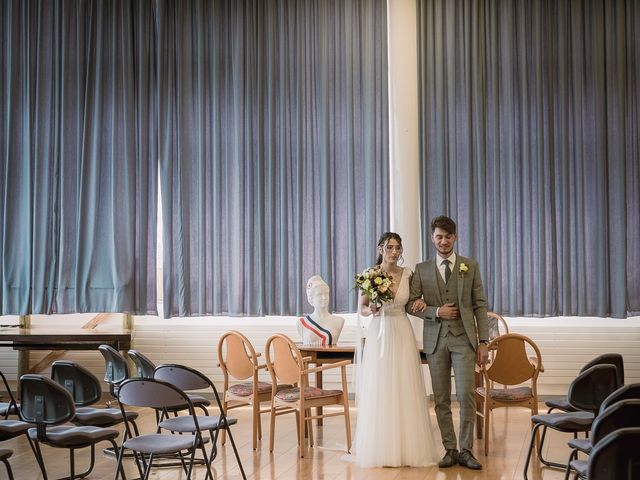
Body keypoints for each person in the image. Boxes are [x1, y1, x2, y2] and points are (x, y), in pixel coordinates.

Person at [407, 215, 489, 470]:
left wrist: (484, 340)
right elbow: (411, 304)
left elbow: (480, 305)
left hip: (465, 340)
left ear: (455, 237)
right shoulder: (421, 269)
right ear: (432, 238)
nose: (443, 241)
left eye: (448, 236)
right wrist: (434, 311)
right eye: (439, 236)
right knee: (441, 398)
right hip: (435, 342)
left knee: (465, 394)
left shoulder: (470, 266)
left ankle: (466, 450)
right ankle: (450, 449)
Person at [351, 232, 440, 467]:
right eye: (390, 247)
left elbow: (414, 300)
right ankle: (381, 447)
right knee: (381, 386)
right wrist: (372, 310)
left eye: (398, 248)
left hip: (401, 329)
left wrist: (421, 303)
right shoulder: (370, 275)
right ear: (380, 248)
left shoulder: (408, 274)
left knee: (404, 385)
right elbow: (361, 308)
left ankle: (408, 448)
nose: (394, 252)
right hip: (379, 333)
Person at [297, 275, 345, 346]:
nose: (324, 297)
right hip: (310, 356)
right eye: (319, 294)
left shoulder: (339, 321)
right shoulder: (301, 323)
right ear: (311, 298)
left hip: (331, 356)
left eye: (326, 293)